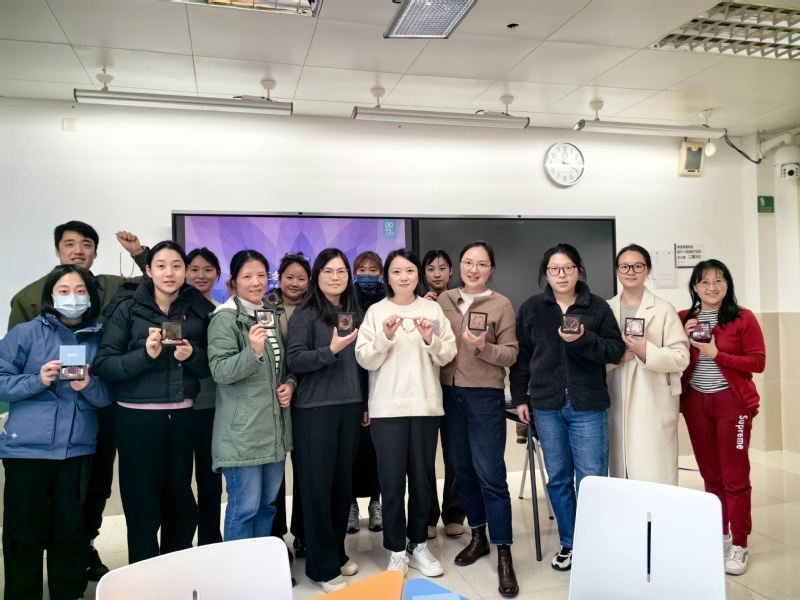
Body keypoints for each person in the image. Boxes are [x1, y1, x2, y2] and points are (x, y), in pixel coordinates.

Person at [7, 221, 150, 581]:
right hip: (40, 423)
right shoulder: (28, 298)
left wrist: (139, 253)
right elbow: (11, 364)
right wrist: (38, 378)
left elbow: (158, 281)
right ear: (57, 250)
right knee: (34, 512)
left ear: (96, 252)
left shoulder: (114, 286)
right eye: (69, 244)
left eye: (86, 244)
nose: (78, 250)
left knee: (93, 487)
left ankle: (84, 546)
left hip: (96, 412)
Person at [94, 241, 214, 564]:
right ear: (148, 270)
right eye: (161, 265)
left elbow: (211, 367)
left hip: (182, 418)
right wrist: (144, 355)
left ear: (185, 271)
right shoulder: (127, 307)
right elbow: (104, 365)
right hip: (136, 420)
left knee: (180, 502)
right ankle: (144, 576)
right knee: (142, 505)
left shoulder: (198, 310)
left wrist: (193, 356)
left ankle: (175, 571)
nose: (169, 273)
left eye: (176, 266)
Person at [510, 243, 625, 572]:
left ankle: (594, 545)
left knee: (591, 479)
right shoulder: (532, 308)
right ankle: (570, 543)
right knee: (558, 478)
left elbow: (615, 350)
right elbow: (521, 359)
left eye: (568, 268)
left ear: (579, 271)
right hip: (546, 406)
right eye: (554, 269)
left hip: (588, 405)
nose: (561, 275)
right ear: (545, 274)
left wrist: (583, 340)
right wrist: (520, 398)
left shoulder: (597, 306)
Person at [0, 265, 111, 600]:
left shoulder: (101, 337)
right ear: (50, 295)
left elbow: (109, 396)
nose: (72, 298)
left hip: (77, 449)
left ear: (90, 297)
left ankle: (69, 593)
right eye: (63, 291)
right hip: (27, 451)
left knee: (70, 532)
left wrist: (88, 384)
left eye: (80, 291)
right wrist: (38, 379)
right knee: (24, 533)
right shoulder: (24, 334)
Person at [356, 249, 457, 578]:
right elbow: (365, 359)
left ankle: (418, 544)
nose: (404, 277)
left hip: (426, 407)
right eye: (397, 271)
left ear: (418, 275)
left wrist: (430, 339)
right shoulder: (376, 312)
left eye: (410, 270)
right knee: (391, 482)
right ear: (387, 276)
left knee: (422, 479)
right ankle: (396, 549)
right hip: (387, 409)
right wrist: (385, 337)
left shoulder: (432, 309)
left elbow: (447, 354)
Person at [438, 241, 520, 598]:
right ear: (459, 266)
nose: (474, 269)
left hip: (484, 396)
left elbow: (511, 354)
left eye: (482, 264)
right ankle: (478, 536)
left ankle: (504, 552)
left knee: (491, 475)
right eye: (468, 262)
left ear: (491, 269)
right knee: (462, 470)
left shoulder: (501, 304)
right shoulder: (444, 300)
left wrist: (483, 346)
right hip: (448, 394)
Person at [678, 259, 765, 576]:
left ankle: (740, 543)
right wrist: (684, 341)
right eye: (704, 281)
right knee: (711, 476)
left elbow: (757, 362)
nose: (711, 287)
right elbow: (676, 360)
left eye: (719, 280)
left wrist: (717, 354)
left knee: (735, 476)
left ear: (728, 284)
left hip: (733, 403)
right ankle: (721, 535)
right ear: (694, 286)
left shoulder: (743, 317)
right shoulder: (684, 318)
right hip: (695, 402)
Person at [285, 248, 364, 594]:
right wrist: (328, 351)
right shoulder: (305, 314)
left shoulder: (354, 312)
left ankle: (336, 551)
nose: (336, 277)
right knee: (317, 489)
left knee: (341, 487)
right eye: (328, 271)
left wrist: (364, 402)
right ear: (317, 276)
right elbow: (295, 361)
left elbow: (361, 363)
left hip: (350, 406)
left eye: (341, 271)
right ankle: (320, 566)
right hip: (314, 410)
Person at [208, 250, 294, 547]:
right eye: (247, 276)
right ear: (233, 281)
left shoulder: (270, 313)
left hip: (274, 429)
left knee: (267, 505)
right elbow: (220, 371)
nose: (256, 282)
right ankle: (238, 572)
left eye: (261, 275)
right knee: (243, 509)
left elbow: (283, 366)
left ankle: (259, 568)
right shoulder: (225, 318)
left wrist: (290, 384)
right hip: (242, 434)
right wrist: (252, 352)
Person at [607, 244, 689, 485]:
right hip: (616, 397)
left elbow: (681, 357)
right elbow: (595, 356)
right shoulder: (606, 309)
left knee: (653, 477)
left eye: (638, 266)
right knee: (621, 476)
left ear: (648, 270)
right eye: (624, 266)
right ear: (617, 270)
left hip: (652, 400)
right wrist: (617, 357)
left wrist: (646, 351)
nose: (630, 271)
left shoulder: (664, 309)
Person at [268, 252, 311, 560]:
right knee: (274, 472)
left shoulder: (315, 307)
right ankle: (275, 536)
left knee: (306, 468)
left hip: (308, 397)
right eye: (289, 277)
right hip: (272, 397)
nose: (294, 283)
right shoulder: (265, 306)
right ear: (279, 277)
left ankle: (304, 532)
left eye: (301, 278)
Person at [421, 249, 467, 538]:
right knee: (424, 456)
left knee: (455, 453)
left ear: (451, 271)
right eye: (430, 268)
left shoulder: (461, 302)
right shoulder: (417, 303)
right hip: (424, 386)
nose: (436, 274)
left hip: (452, 386)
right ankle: (427, 514)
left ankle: (454, 512)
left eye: (442, 268)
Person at [185, 247, 224, 545]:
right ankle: (181, 544)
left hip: (213, 407)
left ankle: (210, 541)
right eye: (194, 269)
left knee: (210, 483)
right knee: (178, 483)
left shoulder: (223, 312)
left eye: (208, 269)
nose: (201, 275)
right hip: (179, 407)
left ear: (218, 275)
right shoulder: (175, 311)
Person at [348, 250, 386, 534]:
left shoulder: (389, 300)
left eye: (373, 270)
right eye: (362, 270)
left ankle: (376, 503)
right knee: (349, 451)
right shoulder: (345, 299)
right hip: (351, 384)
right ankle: (350, 505)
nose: (368, 275)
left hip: (382, 384)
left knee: (377, 452)